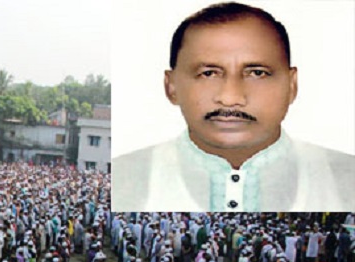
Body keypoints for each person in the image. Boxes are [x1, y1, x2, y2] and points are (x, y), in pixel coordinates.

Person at [112, 2, 355, 212]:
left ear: (292, 85)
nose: (230, 98)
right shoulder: (123, 179)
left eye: (257, 73)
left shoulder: (345, 179)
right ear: (171, 86)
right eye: (208, 73)